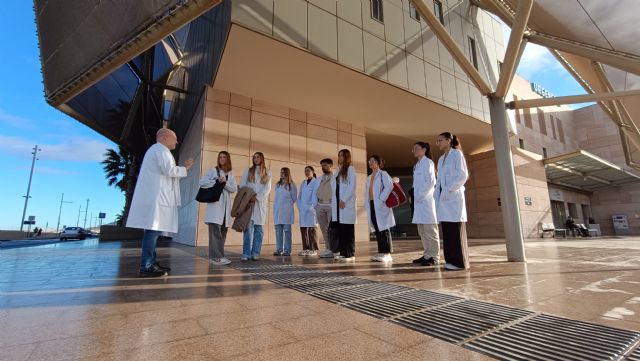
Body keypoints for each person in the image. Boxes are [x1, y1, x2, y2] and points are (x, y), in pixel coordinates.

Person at [127, 128, 194, 277]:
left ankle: (151, 262)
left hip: (158, 198)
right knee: (153, 231)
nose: (177, 141)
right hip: (157, 199)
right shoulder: (160, 150)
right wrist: (186, 167)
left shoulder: (159, 150)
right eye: (174, 138)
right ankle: (147, 266)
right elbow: (169, 171)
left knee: (154, 232)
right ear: (164, 138)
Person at [434, 132, 469, 271]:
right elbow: (439, 180)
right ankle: (450, 260)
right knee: (447, 230)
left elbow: (463, 175)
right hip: (443, 199)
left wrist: (449, 190)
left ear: (448, 141)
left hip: (453, 197)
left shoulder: (457, 154)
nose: (438, 143)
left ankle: (460, 263)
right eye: (437, 141)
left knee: (455, 229)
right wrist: (438, 193)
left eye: (440, 140)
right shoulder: (441, 158)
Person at [199, 151, 237, 266]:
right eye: (220, 157)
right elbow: (202, 182)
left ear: (228, 159)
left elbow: (233, 188)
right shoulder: (212, 170)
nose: (222, 159)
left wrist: (224, 183)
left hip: (225, 208)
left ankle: (220, 256)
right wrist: (216, 181)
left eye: (224, 157)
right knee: (215, 233)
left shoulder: (230, 174)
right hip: (215, 208)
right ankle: (215, 257)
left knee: (223, 232)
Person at [411, 141, 440, 266]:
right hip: (418, 203)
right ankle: (427, 255)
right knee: (422, 231)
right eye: (413, 149)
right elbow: (415, 184)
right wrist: (413, 197)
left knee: (431, 231)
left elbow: (430, 182)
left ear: (424, 149)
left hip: (427, 201)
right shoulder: (417, 165)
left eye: (416, 148)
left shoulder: (428, 162)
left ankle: (434, 257)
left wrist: (419, 196)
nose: (414, 151)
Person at [240, 152, 272, 261]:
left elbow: (267, 188)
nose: (256, 159)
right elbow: (242, 185)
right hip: (249, 203)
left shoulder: (268, 172)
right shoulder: (248, 171)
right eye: (254, 157)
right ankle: (246, 253)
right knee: (247, 229)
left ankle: (256, 253)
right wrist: (249, 196)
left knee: (258, 229)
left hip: (260, 204)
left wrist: (257, 197)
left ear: (262, 158)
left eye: (258, 157)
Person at [363, 155, 395, 263]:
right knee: (377, 228)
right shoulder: (369, 177)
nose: (370, 163)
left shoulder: (383, 174)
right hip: (372, 204)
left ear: (378, 162)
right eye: (369, 161)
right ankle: (381, 252)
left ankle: (387, 253)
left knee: (384, 228)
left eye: (373, 161)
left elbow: (389, 186)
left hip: (381, 204)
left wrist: (381, 199)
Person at [331, 149, 357, 261]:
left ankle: (350, 254)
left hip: (344, 203)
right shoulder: (337, 170)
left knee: (348, 229)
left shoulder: (351, 169)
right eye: (339, 155)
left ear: (346, 157)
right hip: (337, 202)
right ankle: (342, 252)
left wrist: (344, 199)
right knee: (341, 229)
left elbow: (352, 187)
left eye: (342, 155)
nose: (340, 157)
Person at [273, 167, 297, 256]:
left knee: (287, 231)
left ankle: (287, 250)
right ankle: (279, 249)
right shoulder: (277, 185)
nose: (281, 174)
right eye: (281, 172)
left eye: (283, 172)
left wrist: (287, 204)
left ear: (287, 173)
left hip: (287, 212)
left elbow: (294, 198)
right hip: (278, 211)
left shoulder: (292, 185)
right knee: (278, 232)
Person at [316, 159, 337, 258]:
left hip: (330, 205)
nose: (323, 167)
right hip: (320, 206)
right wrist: (316, 206)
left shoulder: (335, 177)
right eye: (322, 165)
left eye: (325, 165)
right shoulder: (319, 179)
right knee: (323, 229)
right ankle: (328, 248)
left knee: (331, 229)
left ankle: (333, 249)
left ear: (331, 165)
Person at [298, 166, 320, 256]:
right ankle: (305, 248)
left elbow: (315, 196)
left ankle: (313, 249)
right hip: (303, 210)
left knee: (312, 229)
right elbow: (299, 196)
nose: (306, 172)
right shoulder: (303, 183)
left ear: (313, 171)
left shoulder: (316, 182)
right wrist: (300, 207)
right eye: (305, 171)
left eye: (308, 170)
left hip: (311, 210)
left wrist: (310, 207)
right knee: (303, 229)